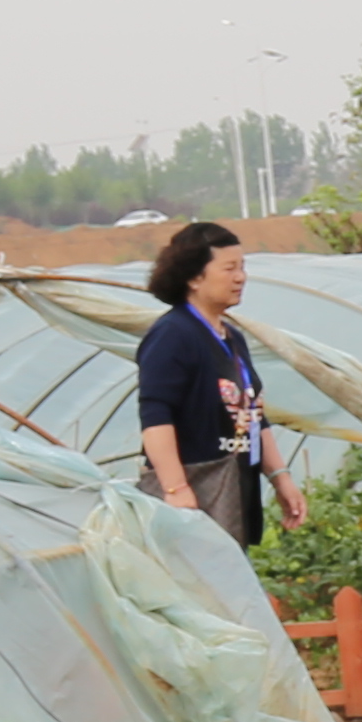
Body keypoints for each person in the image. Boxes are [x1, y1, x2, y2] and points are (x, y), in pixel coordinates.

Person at [133, 219, 300, 547]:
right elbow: (155, 416)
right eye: (229, 268)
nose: (240, 277)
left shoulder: (232, 338)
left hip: (235, 485)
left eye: (242, 267)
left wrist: (281, 478)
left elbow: (254, 413)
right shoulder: (172, 335)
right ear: (195, 277)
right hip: (197, 488)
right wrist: (176, 489)